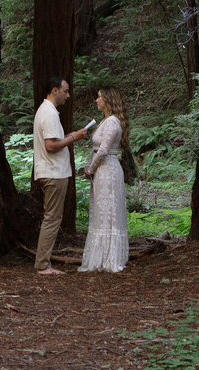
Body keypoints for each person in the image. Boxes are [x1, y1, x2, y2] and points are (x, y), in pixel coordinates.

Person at [33, 77, 89, 276]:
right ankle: (42, 265)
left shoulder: (47, 111)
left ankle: (43, 262)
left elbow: (54, 141)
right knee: (52, 218)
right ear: (54, 90)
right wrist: (73, 137)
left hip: (51, 171)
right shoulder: (49, 113)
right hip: (53, 172)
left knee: (52, 217)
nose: (68, 95)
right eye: (65, 91)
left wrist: (70, 135)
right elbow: (50, 146)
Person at [79, 87, 130, 274]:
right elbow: (96, 150)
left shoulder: (112, 122)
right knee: (101, 212)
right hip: (101, 170)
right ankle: (100, 256)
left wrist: (91, 169)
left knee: (109, 212)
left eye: (99, 97)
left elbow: (103, 150)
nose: (96, 100)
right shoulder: (105, 121)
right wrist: (89, 166)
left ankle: (110, 257)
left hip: (108, 170)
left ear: (107, 100)